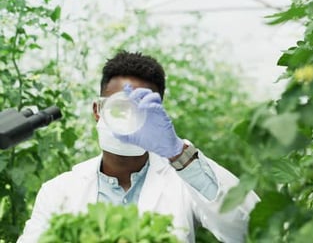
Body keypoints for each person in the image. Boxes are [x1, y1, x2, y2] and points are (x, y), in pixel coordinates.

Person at [17, 51, 260, 243]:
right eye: (119, 108)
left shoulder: (182, 180)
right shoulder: (58, 191)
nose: (127, 122)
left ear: (157, 115)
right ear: (97, 110)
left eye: (139, 110)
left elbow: (250, 230)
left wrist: (177, 151)